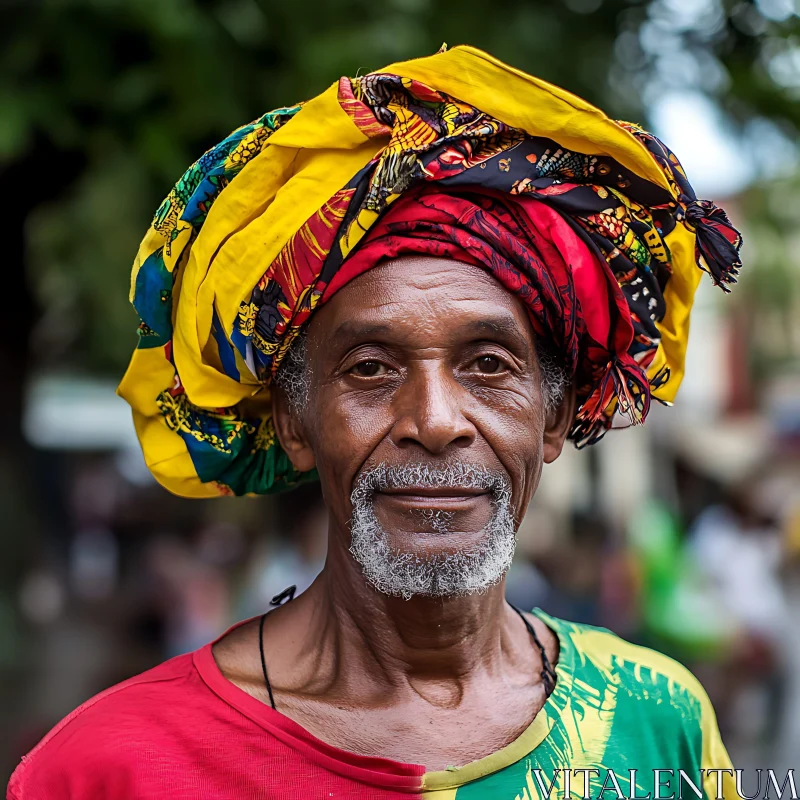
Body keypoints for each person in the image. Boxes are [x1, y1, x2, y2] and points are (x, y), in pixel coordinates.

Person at [8, 45, 743, 799]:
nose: (434, 420)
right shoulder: (109, 769)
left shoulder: (659, 720)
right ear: (294, 419)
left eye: (489, 365)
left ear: (553, 418)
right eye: (370, 369)